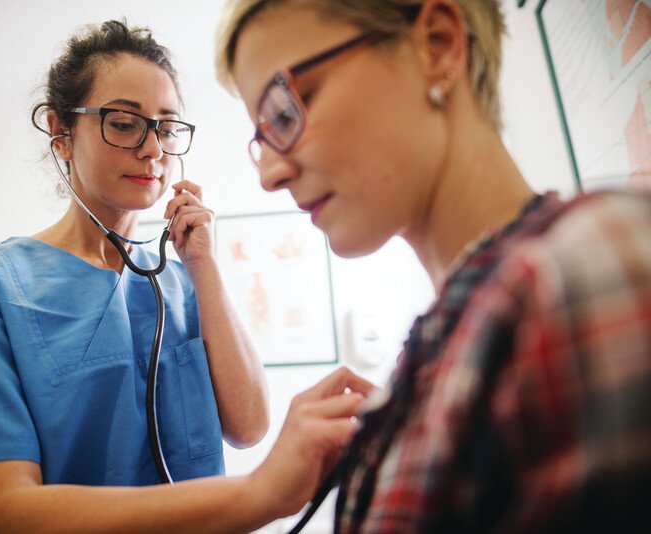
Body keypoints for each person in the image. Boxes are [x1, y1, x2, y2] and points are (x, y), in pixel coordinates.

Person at [214, 0, 651, 531]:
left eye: (284, 112)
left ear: (437, 45)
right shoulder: (449, 342)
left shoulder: (583, 270)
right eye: (261, 139)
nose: (270, 175)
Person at [0, 19, 280, 532]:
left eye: (167, 127)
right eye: (125, 122)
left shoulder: (187, 285)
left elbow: (249, 426)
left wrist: (205, 266)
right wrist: (250, 498)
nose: (154, 150)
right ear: (61, 133)